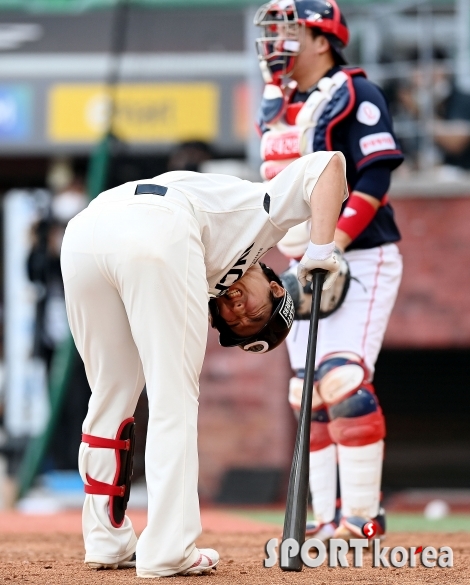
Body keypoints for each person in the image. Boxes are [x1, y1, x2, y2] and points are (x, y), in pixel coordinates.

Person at [60, 150, 347, 577]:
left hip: (85, 235)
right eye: (257, 311)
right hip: (157, 224)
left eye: (238, 326)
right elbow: (329, 166)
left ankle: (106, 539)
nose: (239, 313)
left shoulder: (208, 279)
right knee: (173, 396)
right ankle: (169, 549)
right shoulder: (265, 218)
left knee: (111, 394)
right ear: (273, 283)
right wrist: (322, 248)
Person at [254, 0, 404, 541]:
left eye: (292, 32)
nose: (278, 44)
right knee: (306, 390)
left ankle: (363, 517)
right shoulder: (277, 105)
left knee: (343, 379)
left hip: (360, 253)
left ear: (322, 40)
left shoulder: (355, 93)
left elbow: (375, 179)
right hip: (301, 259)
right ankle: (324, 519)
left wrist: (332, 244)